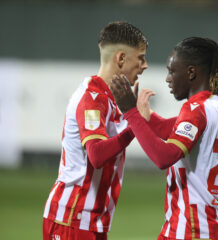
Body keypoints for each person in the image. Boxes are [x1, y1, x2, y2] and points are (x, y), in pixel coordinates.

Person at [110, 37, 218, 240]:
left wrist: (130, 112)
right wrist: (141, 112)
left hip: (189, 229)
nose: (167, 79)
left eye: (172, 71)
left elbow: (164, 157)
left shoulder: (195, 110)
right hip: (214, 230)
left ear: (191, 72)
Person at [42, 21, 149, 240]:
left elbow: (159, 125)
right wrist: (134, 127)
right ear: (121, 58)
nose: (144, 65)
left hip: (92, 221)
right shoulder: (92, 98)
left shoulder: (114, 98)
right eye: (141, 58)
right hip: (71, 218)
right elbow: (97, 154)